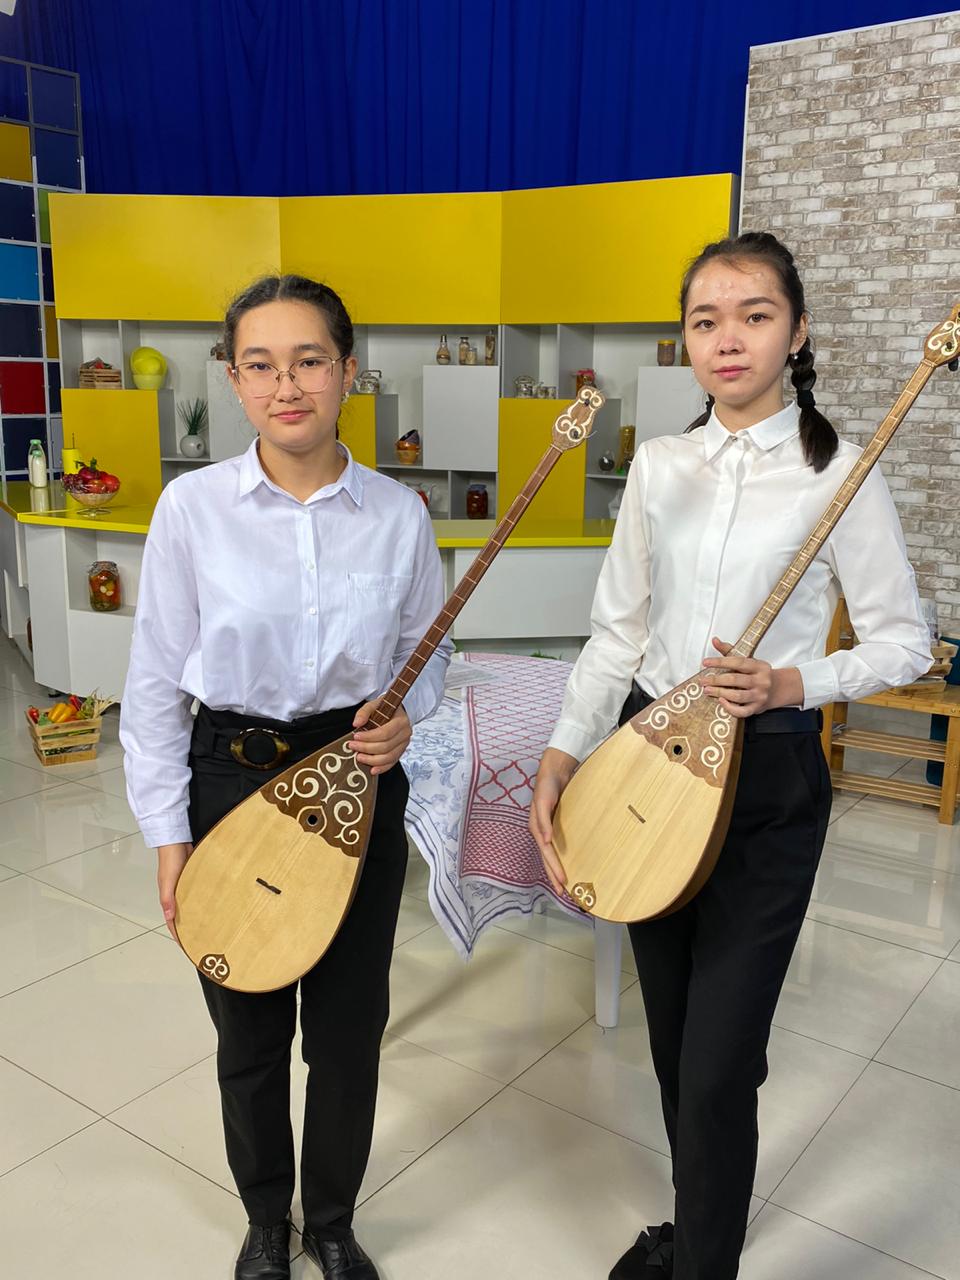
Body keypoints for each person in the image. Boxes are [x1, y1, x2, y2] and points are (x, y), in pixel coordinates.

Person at [529, 231, 932, 1280]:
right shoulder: (660, 466)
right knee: (672, 1039)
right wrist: (566, 750)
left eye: (755, 315)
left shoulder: (839, 473)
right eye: (705, 320)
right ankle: (701, 1224)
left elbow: (907, 642)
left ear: (796, 332)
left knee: (718, 1060)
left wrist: (794, 682)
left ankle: (703, 1261)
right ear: (686, 339)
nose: (729, 339)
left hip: (768, 782)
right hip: (645, 766)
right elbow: (617, 631)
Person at [120, 273, 451, 1280]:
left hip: (356, 781)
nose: (286, 385)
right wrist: (169, 837)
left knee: (348, 1029)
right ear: (232, 379)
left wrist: (406, 716)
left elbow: (428, 653)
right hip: (231, 777)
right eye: (259, 364)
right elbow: (153, 684)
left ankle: (333, 1220)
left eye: (309, 360)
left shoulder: (397, 513)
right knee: (250, 1027)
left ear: (348, 370)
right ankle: (267, 1219)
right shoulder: (192, 509)